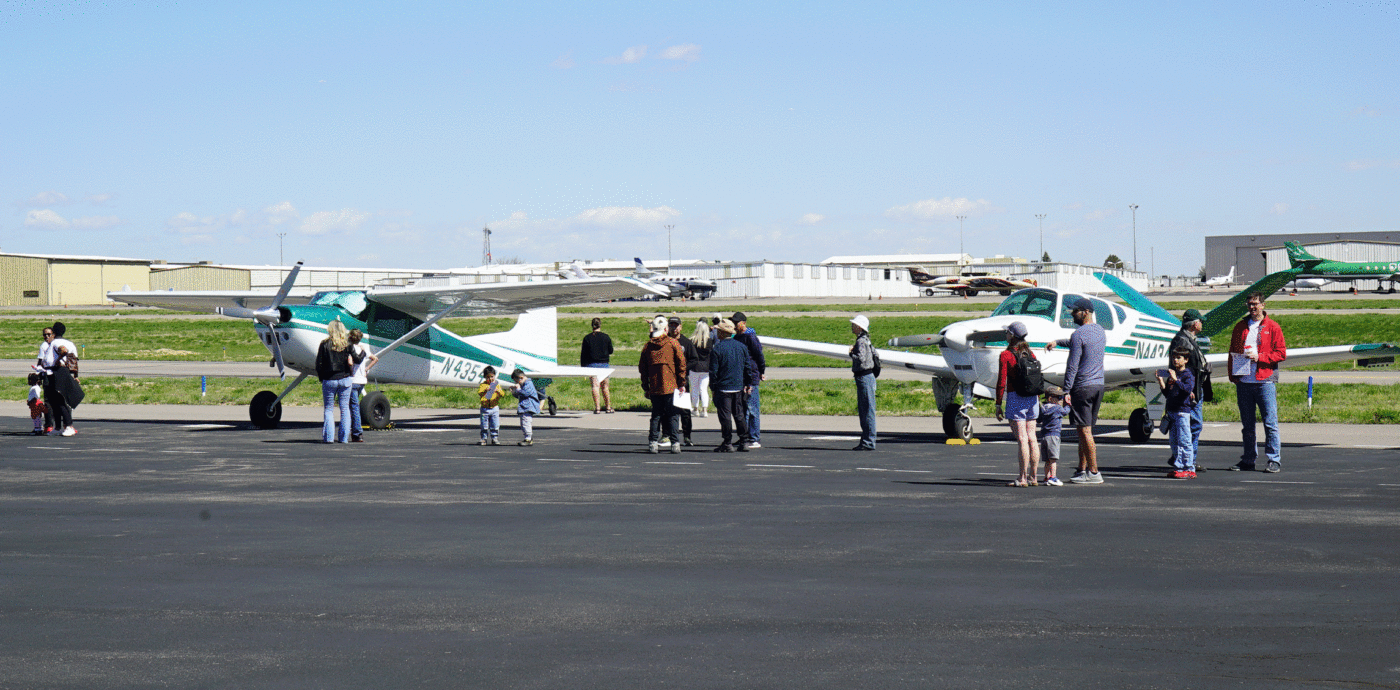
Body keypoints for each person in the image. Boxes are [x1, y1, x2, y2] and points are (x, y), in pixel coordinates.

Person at [1047, 297, 1106, 484]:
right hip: (1098, 386)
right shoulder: (1100, 331)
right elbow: (1077, 342)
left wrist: (1066, 392)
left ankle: (1095, 472)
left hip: (1082, 387)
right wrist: (1058, 342)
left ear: (1085, 312)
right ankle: (1082, 470)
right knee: (1083, 430)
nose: (1072, 314)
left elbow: (1072, 366)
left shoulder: (1078, 334)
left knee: (1085, 431)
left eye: (1075, 311)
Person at [1228, 292, 1287, 473]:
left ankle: (1273, 459)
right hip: (1244, 381)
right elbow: (1232, 352)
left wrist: (1259, 357)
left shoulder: (1273, 327)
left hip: (1264, 381)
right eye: (1249, 304)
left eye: (1255, 304)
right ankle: (1248, 459)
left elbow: (1281, 353)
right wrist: (1233, 375)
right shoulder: (1240, 327)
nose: (1252, 308)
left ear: (1263, 305)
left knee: (1270, 422)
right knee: (1247, 424)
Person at [996, 321, 1041, 486]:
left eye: (1007, 332)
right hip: (1032, 398)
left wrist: (998, 403)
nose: (1006, 335)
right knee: (1032, 438)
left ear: (1012, 336)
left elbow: (1002, 381)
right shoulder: (1031, 354)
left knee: (1022, 439)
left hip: (1016, 398)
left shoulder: (1006, 355)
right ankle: (1034, 477)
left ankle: (1022, 478)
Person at [639, 315, 687, 454]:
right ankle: (675, 443)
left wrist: (645, 386)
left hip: (655, 386)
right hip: (671, 386)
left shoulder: (648, 346)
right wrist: (681, 382)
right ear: (666, 328)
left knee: (656, 415)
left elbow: (643, 368)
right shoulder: (672, 343)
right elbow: (681, 364)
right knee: (673, 415)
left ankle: (653, 442)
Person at [1169, 308, 1209, 470]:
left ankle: (1186, 457)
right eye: (1200, 321)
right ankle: (1187, 459)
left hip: (1192, 388)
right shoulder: (1183, 341)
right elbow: (1181, 368)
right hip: (1189, 391)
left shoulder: (1187, 339)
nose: (1201, 324)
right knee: (1191, 425)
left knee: (1191, 425)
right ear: (1194, 324)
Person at [708, 319, 753, 452]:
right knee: (739, 414)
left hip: (723, 387)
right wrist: (748, 383)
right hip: (738, 386)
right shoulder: (741, 347)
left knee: (725, 416)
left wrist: (713, 388)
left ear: (721, 333)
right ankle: (744, 441)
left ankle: (727, 442)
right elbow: (747, 367)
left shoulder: (717, 349)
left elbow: (713, 372)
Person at [315, 319, 361, 443]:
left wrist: (321, 377)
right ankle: (344, 438)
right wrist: (363, 353)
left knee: (329, 409)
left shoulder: (324, 344)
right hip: (345, 379)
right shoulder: (347, 344)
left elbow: (319, 364)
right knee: (345, 408)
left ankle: (329, 438)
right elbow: (357, 360)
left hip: (329, 379)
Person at [1159, 348, 1199, 479]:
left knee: (1184, 440)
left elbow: (1187, 390)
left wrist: (1176, 380)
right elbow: (1168, 394)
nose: (1175, 360)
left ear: (1186, 360)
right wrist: (1161, 381)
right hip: (1172, 411)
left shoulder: (1188, 374)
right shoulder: (1173, 375)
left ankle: (1189, 467)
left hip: (1182, 412)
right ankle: (1179, 466)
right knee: (1174, 441)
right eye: (1174, 358)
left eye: (1179, 358)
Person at [38, 322, 80, 437]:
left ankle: (68, 426)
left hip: (57, 372)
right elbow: (74, 360)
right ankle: (58, 427)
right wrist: (76, 376)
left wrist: (59, 359)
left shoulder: (56, 342)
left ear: (54, 332)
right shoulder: (70, 343)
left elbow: (63, 350)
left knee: (59, 401)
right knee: (55, 401)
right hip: (62, 372)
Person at [731, 312, 767, 448]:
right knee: (743, 408)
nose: (734, 325)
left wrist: (761, 372)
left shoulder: (750, 336)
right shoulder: (737, 337)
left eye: (736, 323)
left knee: (752, 408)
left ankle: (754, 437)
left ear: (743, 323)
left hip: (751, 376)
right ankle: (744, 436)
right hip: (741, 376)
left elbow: (759, 355)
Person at [669, 316, 700, 446]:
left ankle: (687, 436)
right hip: (668, 380)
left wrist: (683, 369)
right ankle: (668, 435)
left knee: (685, 411)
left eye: (676, 325)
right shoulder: (665, 341)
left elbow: (694, 359)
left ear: (681, 327)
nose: (674, 328)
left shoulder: (686, 343)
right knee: (668, 410)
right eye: (672, 325)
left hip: (682, 381)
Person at [849, 314, 878, 451]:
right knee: (868, 409)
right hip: (869, 377)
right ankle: (867, 440)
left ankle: (868, 441)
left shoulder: (861, 342)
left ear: (859, 327)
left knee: (866, 410)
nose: (852, 326)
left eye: (854, 325)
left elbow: (861, 359)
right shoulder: (867, 340)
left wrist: (851, 353)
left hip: (864, 377)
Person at [346, 329, 379, 443]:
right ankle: (356, 432)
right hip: (362, 380)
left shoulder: (349, 349)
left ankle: (357, 432)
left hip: (353, 380)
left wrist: (349, 371)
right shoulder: (363, 348)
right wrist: (367, 368)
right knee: (354, 405)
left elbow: (350, 363)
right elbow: (375, 358)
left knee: (354, 407)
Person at [1037, 385, 1071, 486]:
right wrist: (1068, 404)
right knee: (1053, 459)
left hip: (1044, 436)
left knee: (1047, 460)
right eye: (1059, 398)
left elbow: (1039, 419)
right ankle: (1053, 477)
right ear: (1051, 399)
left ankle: (1047, 477)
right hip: (1054, 435)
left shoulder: (1044, 408)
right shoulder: (1057, 408)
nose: (1061, 400)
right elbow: (1065, 412)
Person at [581, 318, 615, 413]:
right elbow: (611, 351)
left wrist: (583, 366)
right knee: (605, 387)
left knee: (595, 386)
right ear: (600, 325)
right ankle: (608, 407)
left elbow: (583, 354)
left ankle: (597, 408)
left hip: (591, 364)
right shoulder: (606, 337)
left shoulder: (587, 338)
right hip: (604, 364)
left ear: (592, 325)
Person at [476, 366, 509, 445]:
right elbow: (480, 393)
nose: (490, 379)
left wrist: (498, 391)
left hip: (494, 408)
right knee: (484, 425)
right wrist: (486, 389)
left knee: (495, 424)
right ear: (484, 377)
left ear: (495, 376)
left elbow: (502, 394)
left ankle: (494, 438)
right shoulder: (483, 385)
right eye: (488, 377)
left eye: (492, 376)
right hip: (485, 408)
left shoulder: (496, 385)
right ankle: (484, 438)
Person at [508, 368, 541, 446]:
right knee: (523, 422)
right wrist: (514, 392)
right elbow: (521, 396)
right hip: (524, 407)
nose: (517, 383)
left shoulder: (528, 383)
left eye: (517, 381)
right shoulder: (524, 384)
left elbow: (525, 393)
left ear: (521, 378)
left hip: (528, 406)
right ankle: (527, 437)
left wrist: (518, 389)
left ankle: (528, 438)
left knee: (526, 422)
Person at [688, 317, 713, 418]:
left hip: (694, 367)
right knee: (704, 389)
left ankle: (695, 409)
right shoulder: (709, 341)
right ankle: (705, 410)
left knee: (694, 388)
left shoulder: (692, 341)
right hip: (706, 368)